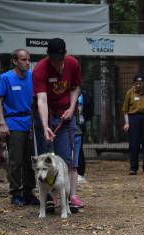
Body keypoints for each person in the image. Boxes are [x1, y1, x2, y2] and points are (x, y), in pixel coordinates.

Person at [33, 38, 84, 209]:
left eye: (59, 58)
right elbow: (42, 99)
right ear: (47, 55)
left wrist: (71, 107)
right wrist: (45, 124)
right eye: (53, 58)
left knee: (66, 158)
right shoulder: (40, 68)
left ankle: (70, 196)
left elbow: (75, 87)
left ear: (65, 53)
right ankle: (48, 196)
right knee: (45, 158)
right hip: (46, 114)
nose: (57, 62)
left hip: (66, 114)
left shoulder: (73, 63)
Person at [0, 49, 38, 206]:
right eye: (23, 59)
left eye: (29, 59)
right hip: (13, 122)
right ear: (14, 61)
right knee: (16, 160)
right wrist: (2, 123)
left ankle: (28, 192)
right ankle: (16, 192)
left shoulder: (32, 77)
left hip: (30, 122)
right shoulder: (5, 78)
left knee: (30, 160)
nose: (27, 63)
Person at [122, 73, 144, 175]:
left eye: (140, 83)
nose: (138, 85)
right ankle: (133, 168)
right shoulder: (130, 93)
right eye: (136, 83)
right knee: (134, 144)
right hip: (133, 119)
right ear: (134, 83)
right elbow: (125, 110)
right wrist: (127, 123)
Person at [76, 92, 87, 183]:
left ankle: (80, 172)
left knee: (78, 148)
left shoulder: (79, 94)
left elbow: (79, 109)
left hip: (78, 123)